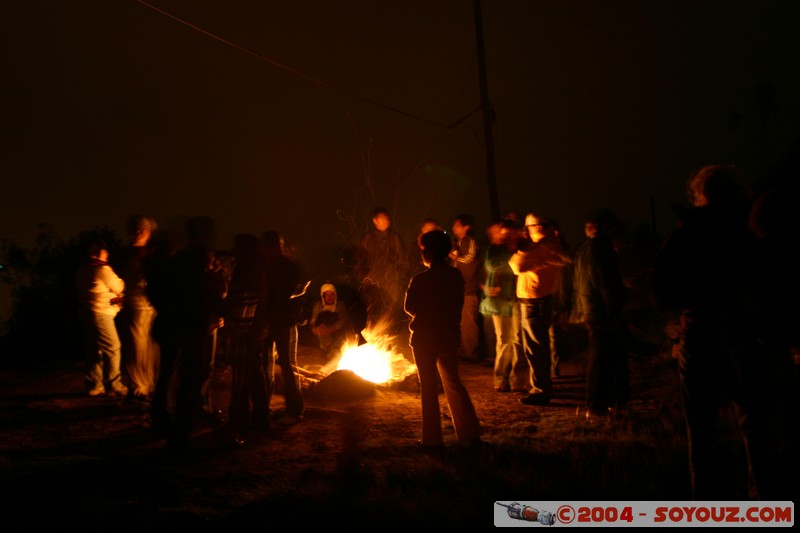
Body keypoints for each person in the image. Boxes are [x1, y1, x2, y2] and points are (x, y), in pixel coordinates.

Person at [652, 164, 793, 500]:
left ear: (700, 193)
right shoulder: (753, 228)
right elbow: (776, 282)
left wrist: (682, 315)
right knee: (757, 429)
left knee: (702, 433)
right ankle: (763, 503)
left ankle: (706, 505)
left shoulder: (685, 233)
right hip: (748, 338)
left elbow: (661, 287)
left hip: (699, 336)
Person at [147, 216, 228, 451]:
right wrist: (217, 273)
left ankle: (162, 421)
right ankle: (181, 434)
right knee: (188, 379)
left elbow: (157, 291)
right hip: (192, 328)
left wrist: (168, 312)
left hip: (173, 326)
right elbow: (219, 291)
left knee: (169, 375)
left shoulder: (174, 261)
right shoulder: (199, 260)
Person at [404, 229, 482, 448]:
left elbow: (409, 307)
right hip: (448, 335)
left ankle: (432, 440)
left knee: (428, 388)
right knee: (453, 382)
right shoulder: (455, 275)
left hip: (424, 339)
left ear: (428, 253)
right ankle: (470, 432)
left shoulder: (420, 279)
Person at [569, 209, 629, 418]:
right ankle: (597, 406)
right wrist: (614, 307)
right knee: (603, 359)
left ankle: (607, 402)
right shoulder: (601, 247)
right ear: (603, 228)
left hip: (589, 308)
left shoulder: (583, 248)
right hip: (601, 310)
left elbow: (580, 280)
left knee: (603, 358)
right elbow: (604, 281)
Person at [508, 213, 567, 406]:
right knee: (536, 347)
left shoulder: (543, 246)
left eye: (529, 227)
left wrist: (521, 247)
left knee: (535, 348)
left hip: (535, 303)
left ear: (539, 227)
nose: (527, 231)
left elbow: (517, 265)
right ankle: (541, 386)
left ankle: (541, 390)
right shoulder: (543, 246)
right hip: (536, 302)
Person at [225, 233, 270, 442]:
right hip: (253, 331)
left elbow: (239, 302)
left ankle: (239, 426)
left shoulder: (246, 272)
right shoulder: (258, 271)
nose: (234, 252)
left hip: (243, 332)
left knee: (241, 381)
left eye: (237, 248)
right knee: (254, 376)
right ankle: (260, 421)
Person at [480, 219, 531, 393]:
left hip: (518, 297)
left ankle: (518, 379)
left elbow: (525, 266)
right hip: (500, 300)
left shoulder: (523, 247)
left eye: (511, 233)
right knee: (503, 339)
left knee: (518, 339)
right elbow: (492, 266)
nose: (508, 236)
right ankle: (501, 378)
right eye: (505, 233)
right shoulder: (494, 250)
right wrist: (513, 260)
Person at [260, 230, 305, 426]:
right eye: (269, 245)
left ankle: (294, 409)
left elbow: (299, 295)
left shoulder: (289, 267)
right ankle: (264, 409)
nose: (272, 249)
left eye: (275, 245)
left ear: (280, 246)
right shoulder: (263, 267)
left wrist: (293, 310)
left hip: (283, 322)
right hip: (268, 321)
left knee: (287, 366)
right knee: (266, 366)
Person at [76, 240, 127, 397]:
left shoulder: (82, 271)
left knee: (94, 349)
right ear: (96, 254)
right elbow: (119, 286)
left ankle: (94, 384)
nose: (107, 254)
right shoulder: (102, 269)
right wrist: (117, 295)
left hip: (87, 311)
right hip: (101, 313)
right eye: (104, 252)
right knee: (113, 347)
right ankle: (114, 385)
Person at [116, 214, 159, 400]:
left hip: (146, 303)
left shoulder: (132, 254)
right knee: (139, 345)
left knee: (146, 345)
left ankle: (147, 383)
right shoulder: (139, 254)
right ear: (144, 231)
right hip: (139, 303)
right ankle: (140, 384)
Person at [355, 207, 410, 333]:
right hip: (372, 281)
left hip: (391, 283)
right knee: (372, 310)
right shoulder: (367, 239)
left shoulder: (395, 239)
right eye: (382, 219)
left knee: (390, 311)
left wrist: (401, 279)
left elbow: (404, 261)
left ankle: (389, 336)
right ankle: (372, 335)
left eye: (387, 219)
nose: (386, 221)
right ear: (374, 221)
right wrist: (363, 278)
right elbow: (359, 260)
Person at [449, 213, 482, 363]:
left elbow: (469, 259)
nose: (453, 228)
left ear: (466, 227)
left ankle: (471, 353)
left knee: (469, 323)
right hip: (460, 290)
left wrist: (454, 257)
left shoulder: (470, 242)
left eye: (456, 225)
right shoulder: (459, 243)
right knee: (463, 323)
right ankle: (465, 351)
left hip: (468, 290)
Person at [309, 282, 351, 360]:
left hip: (334, 332)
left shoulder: (340, 305)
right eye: (327, 295)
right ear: (323, 296)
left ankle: (334, 350)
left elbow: (342, 320)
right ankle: (325, 348)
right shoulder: (318, 305)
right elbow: (313, 322)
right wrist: (316, 329)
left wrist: (331, 329)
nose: (330, 297)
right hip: (321, 332)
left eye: (332, 295)